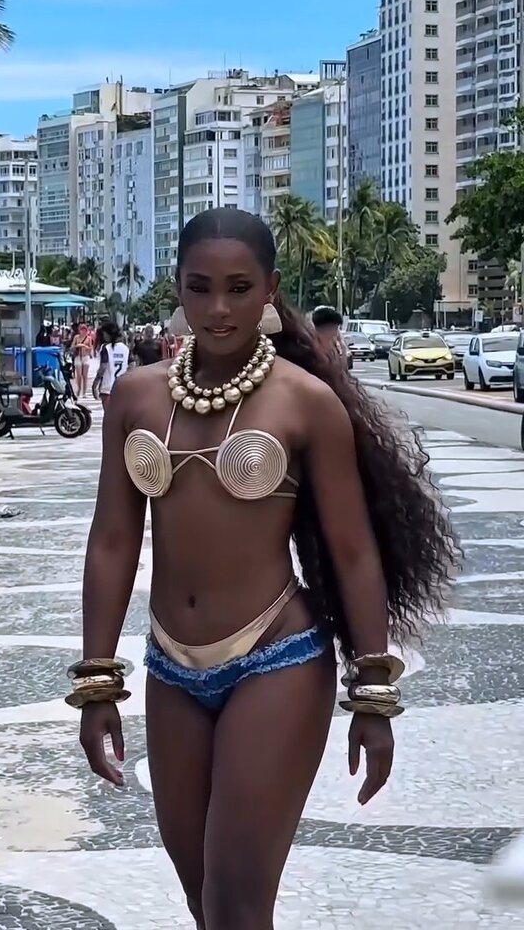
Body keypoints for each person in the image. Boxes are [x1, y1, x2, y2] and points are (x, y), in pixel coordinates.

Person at [73, 209, 456, 930]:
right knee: (204, 900)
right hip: (171, 669)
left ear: (271, 290)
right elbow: (113, 541)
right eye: (200, 287)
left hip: (276, 658)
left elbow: (353, 551)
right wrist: (97, 682)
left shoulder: (304, 403)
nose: (219, 308)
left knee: (238, 904)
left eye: (240, 288)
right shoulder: (136, 397)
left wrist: (373, 695)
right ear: (178, 288)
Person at [92, 322, 130, 411]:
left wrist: (95, 384)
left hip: (108, 388)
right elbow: (132, 365)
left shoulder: (106, 348)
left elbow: (103, 367)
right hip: (122, 388)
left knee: (109, 415)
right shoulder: (125, 348)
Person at [71, 323, 93, 398]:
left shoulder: (88, 338)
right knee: (79, 375)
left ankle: (84, 392)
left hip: (85, 357)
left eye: (84, 330)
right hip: (78, 357)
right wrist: (77, 346)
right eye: (81, 330)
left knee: (85, 375)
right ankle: (79, 389)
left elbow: (90, 348)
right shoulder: (76, 337)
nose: (83, 332)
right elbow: (72, 347)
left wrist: (85, 346)